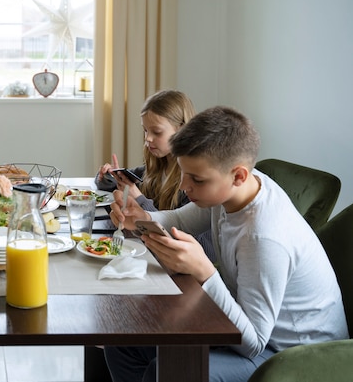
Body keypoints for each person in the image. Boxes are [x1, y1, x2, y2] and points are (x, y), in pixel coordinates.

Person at [105, 106, 348, 382]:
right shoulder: (238, 191)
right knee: (123, 343)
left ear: (238, 176)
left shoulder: (264, 237)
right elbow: (180, 220)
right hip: (253, 330)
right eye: (184, 172)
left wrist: (205, 272)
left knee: (167, 371)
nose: (184, 186)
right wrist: (142, 218)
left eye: (197, 179)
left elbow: (253, 342)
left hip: (294, 356)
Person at [95, 89, 214, 261]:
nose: (148, 138)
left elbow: (196, 245)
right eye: (145, 131)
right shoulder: (157, 167)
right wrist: (109, 177)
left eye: (157, 132)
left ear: (182, 130)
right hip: (153, 255)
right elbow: (120, 182)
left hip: (183, 271)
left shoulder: (194, 181)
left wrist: (139, 198)